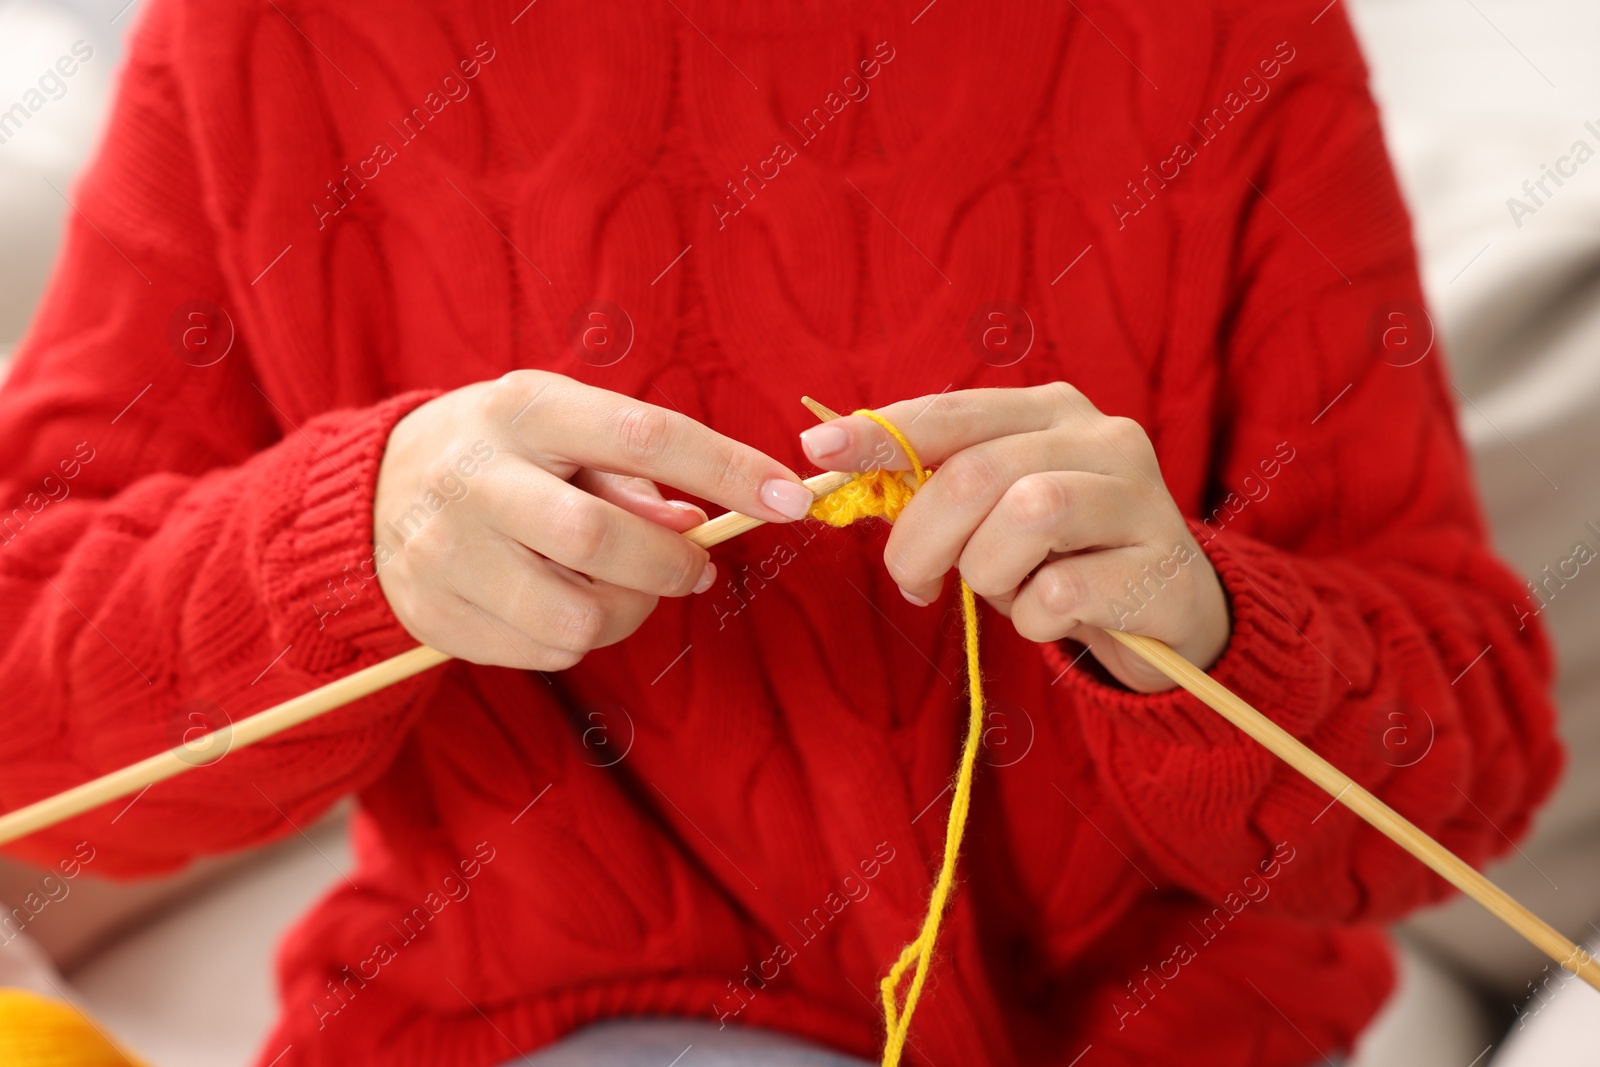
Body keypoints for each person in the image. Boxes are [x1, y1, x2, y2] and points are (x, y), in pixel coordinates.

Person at [0, 0, 1560, 1065]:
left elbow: (1474, 766)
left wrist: (1200, 624)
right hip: (585, 1017)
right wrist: (357, 538)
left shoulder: (1226, 36)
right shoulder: (272, 38)